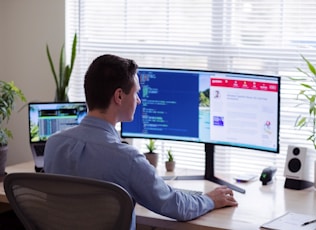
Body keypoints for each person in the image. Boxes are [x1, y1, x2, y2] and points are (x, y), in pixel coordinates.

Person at [44, 54, 238, 229]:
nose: (139, 101)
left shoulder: (53, 144)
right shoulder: (126, 158)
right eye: (136, 93)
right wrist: (210, 200)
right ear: (119, 96)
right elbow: (173, 205)